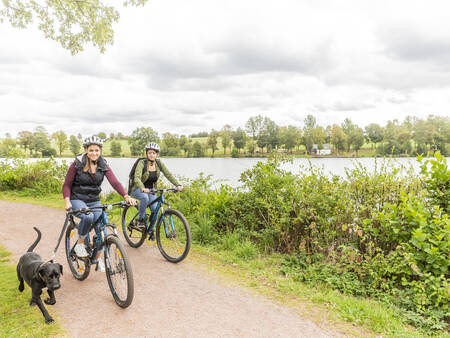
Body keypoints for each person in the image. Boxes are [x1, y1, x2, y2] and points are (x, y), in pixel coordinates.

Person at [62, 136, 137, 272]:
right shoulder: (77, 164)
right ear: (86, 150)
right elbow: (66, 185)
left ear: (100, 151)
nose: (94, 153)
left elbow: (115, 183)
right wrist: (67, 201)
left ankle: (95, 259)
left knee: (101, 230)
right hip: (77, 199)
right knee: (88, 216)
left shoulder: (103, 165)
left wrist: (126, 196)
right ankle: (79, 244)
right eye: (91, 150)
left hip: (94, 200)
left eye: (97, 150)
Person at [130, 142, 183, 240]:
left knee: (155, 210)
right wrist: (142, 188)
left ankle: (150, 230)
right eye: (150, 153)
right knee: (144, 198)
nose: (152, 155)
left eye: (154, 153)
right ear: (146, 153)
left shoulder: (159, 163)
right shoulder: (141, 163)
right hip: (137, 188)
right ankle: (141, 219)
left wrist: (177, 184)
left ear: (157, 154)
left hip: (151, 190)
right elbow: (137, 178)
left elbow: (168, 174)